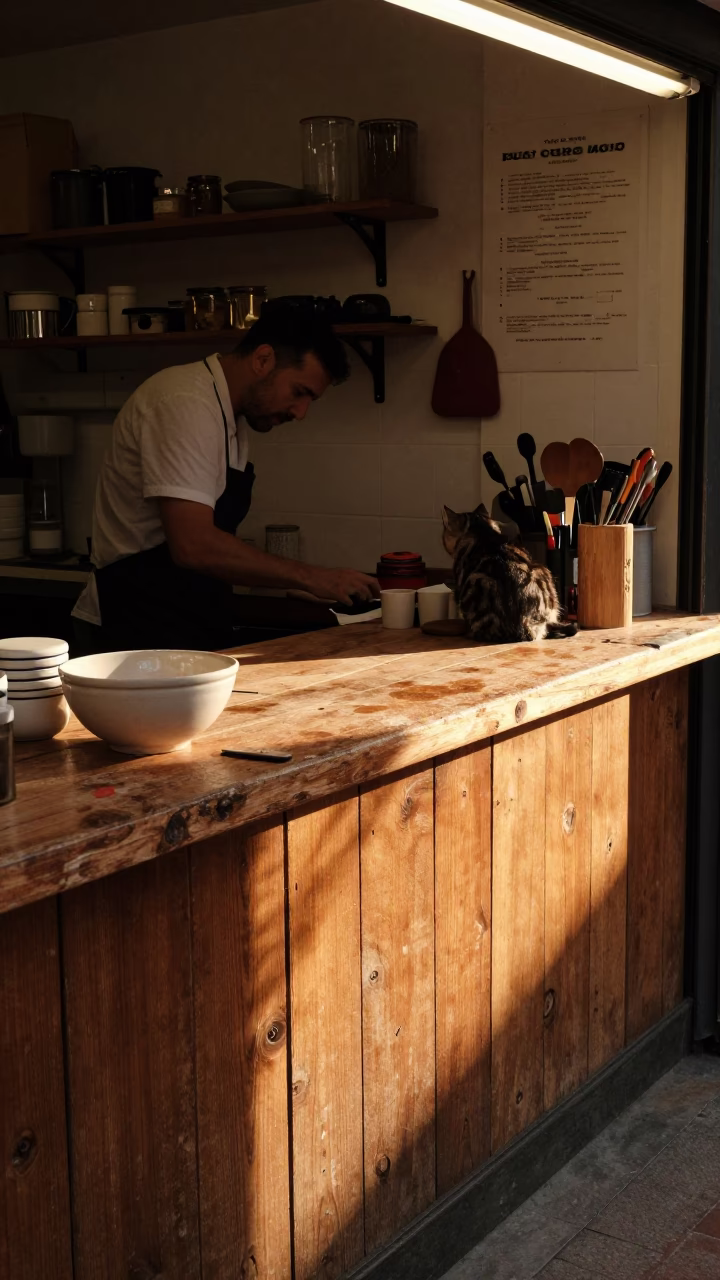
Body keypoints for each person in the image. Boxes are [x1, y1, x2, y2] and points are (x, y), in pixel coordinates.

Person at [72, 304, 379, 652]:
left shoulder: (229, 416)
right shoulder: (184, 403)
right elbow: (193, 545)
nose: (301, 412)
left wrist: (300, 582)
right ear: (263, 359)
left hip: (186, 621)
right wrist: (312, 576)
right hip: (135, 630)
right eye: (299, 392)